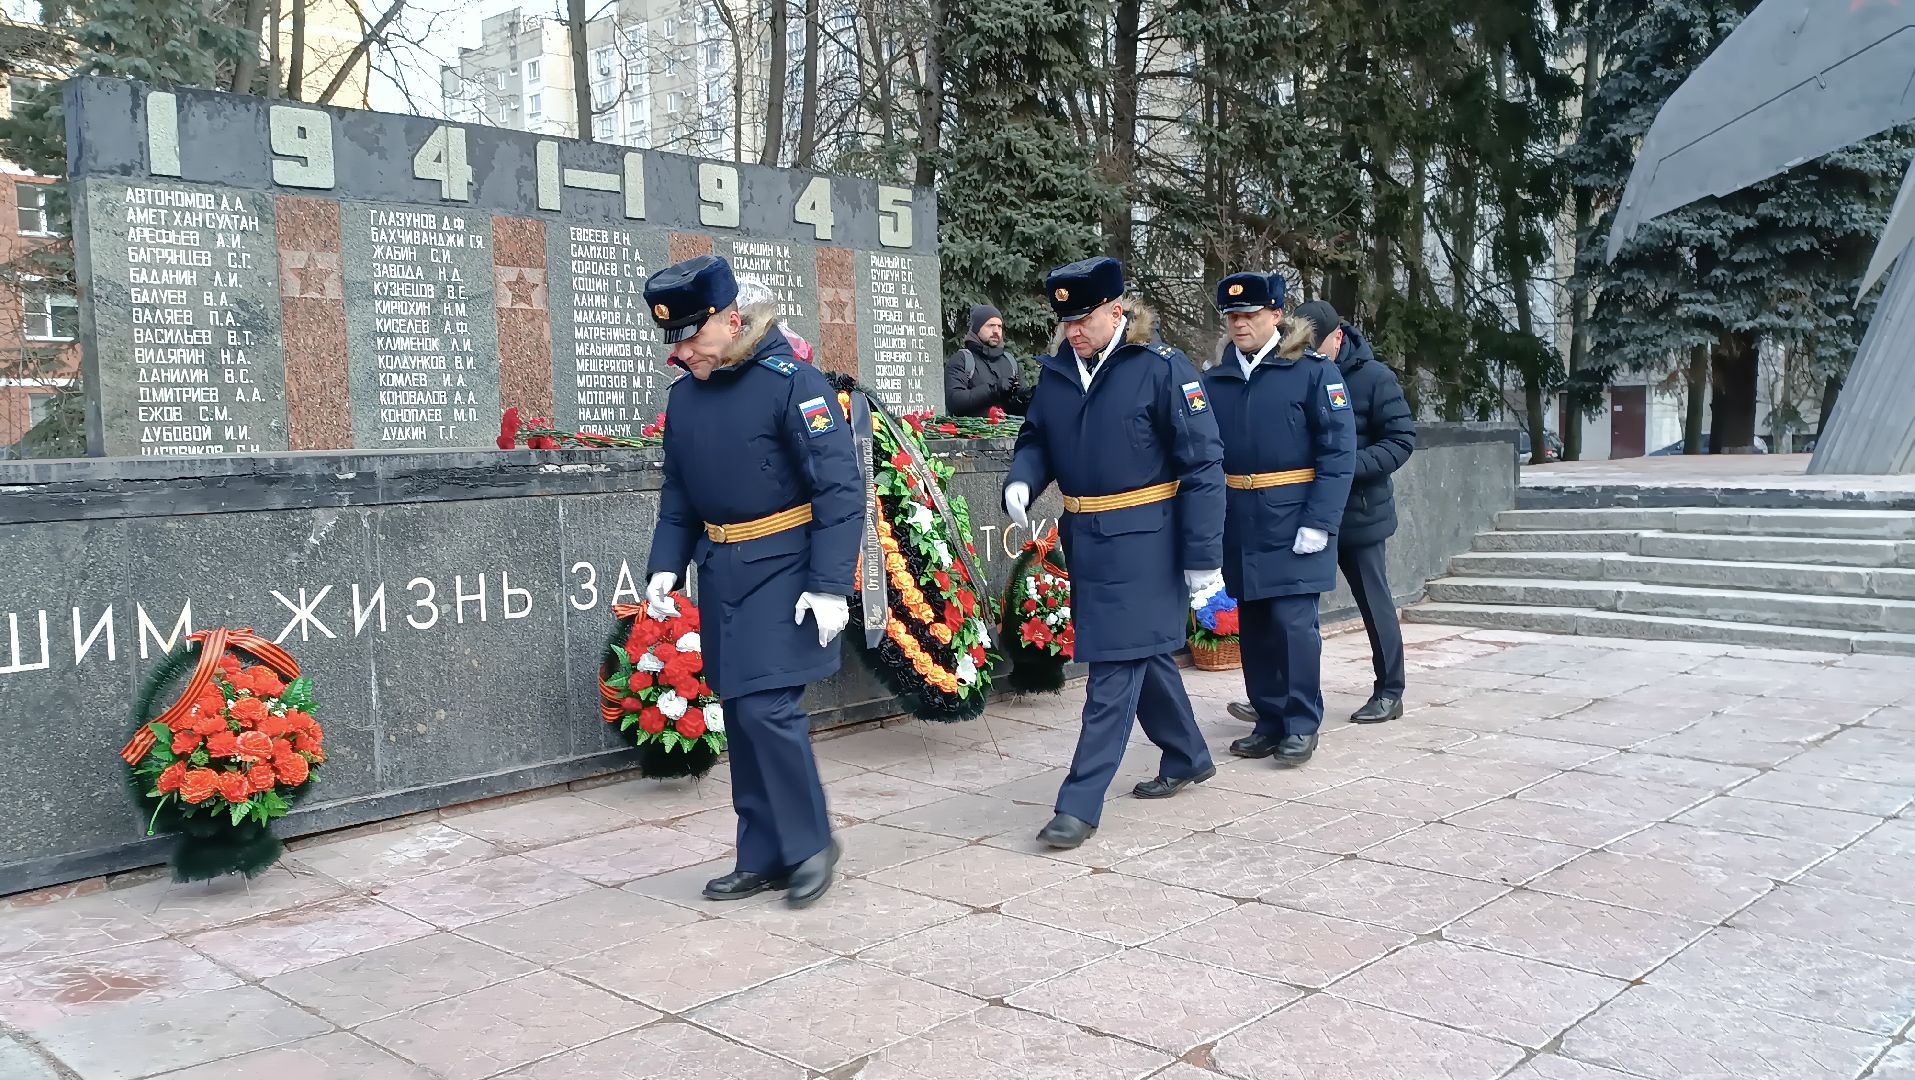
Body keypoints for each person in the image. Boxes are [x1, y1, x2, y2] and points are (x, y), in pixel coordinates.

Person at [640, 254, 863, 908]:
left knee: (768, 706)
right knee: (741, 713)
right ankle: (762, 853)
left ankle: (811, 841)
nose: (682, 353)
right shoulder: (686, 398)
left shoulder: (793, 383)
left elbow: (839, 491)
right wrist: (663, 565)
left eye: (692, 336)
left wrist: (828, 584)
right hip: (723, 570)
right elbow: (679, 493)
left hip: (786, 568)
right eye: (673, 339)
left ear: (731, 320)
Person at [1003, 256, 1225, 849]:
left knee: (1113, 670)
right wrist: (1022, 479)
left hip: (1148, 542)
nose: (1074, 330)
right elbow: (1037, 439)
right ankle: (1187, 753)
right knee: (1142, 655)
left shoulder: (1161, 369)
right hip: (1088, 540)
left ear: (1116, 311)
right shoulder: (1056, 375)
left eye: (1085, 318)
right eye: (1066, 321)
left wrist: (1202, 559)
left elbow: (1203, 466)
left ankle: (1078, 804)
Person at [1226, 300, 1414, 726]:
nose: (1307, 348)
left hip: (1356, 513)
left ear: (1338, 337)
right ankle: (1275, 698)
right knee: (1283, 614)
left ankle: (1390, 690)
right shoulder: (1292, 373)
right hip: (1293, 513)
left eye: (1317, 342)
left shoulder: (1374, 378)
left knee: (1373, 602)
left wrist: (1345, 469)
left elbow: (1401, 439)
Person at [1203, 273, 1355, 764]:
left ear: (1275, 315)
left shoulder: (1312, 373)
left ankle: (1301, 721)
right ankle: (1268, 718)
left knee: (1293, 626)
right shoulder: (1217, 379)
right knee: (1255, 624)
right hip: (1241, 521)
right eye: (1232, 316)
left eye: (1249, 314)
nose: (1239, 323)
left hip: (1294, 520)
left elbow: (1338, 452)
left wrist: (1320, 521)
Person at [944, 304, 1029, 416]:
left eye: (999, 326)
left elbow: (1018, 411)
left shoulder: (1009, 361)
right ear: (977, 328)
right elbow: (955, 402)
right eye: (990, 325)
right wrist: (993, 390)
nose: (996, 331)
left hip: (1009, 432)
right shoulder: (962, 359)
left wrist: (1024, 398)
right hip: (972, 432)